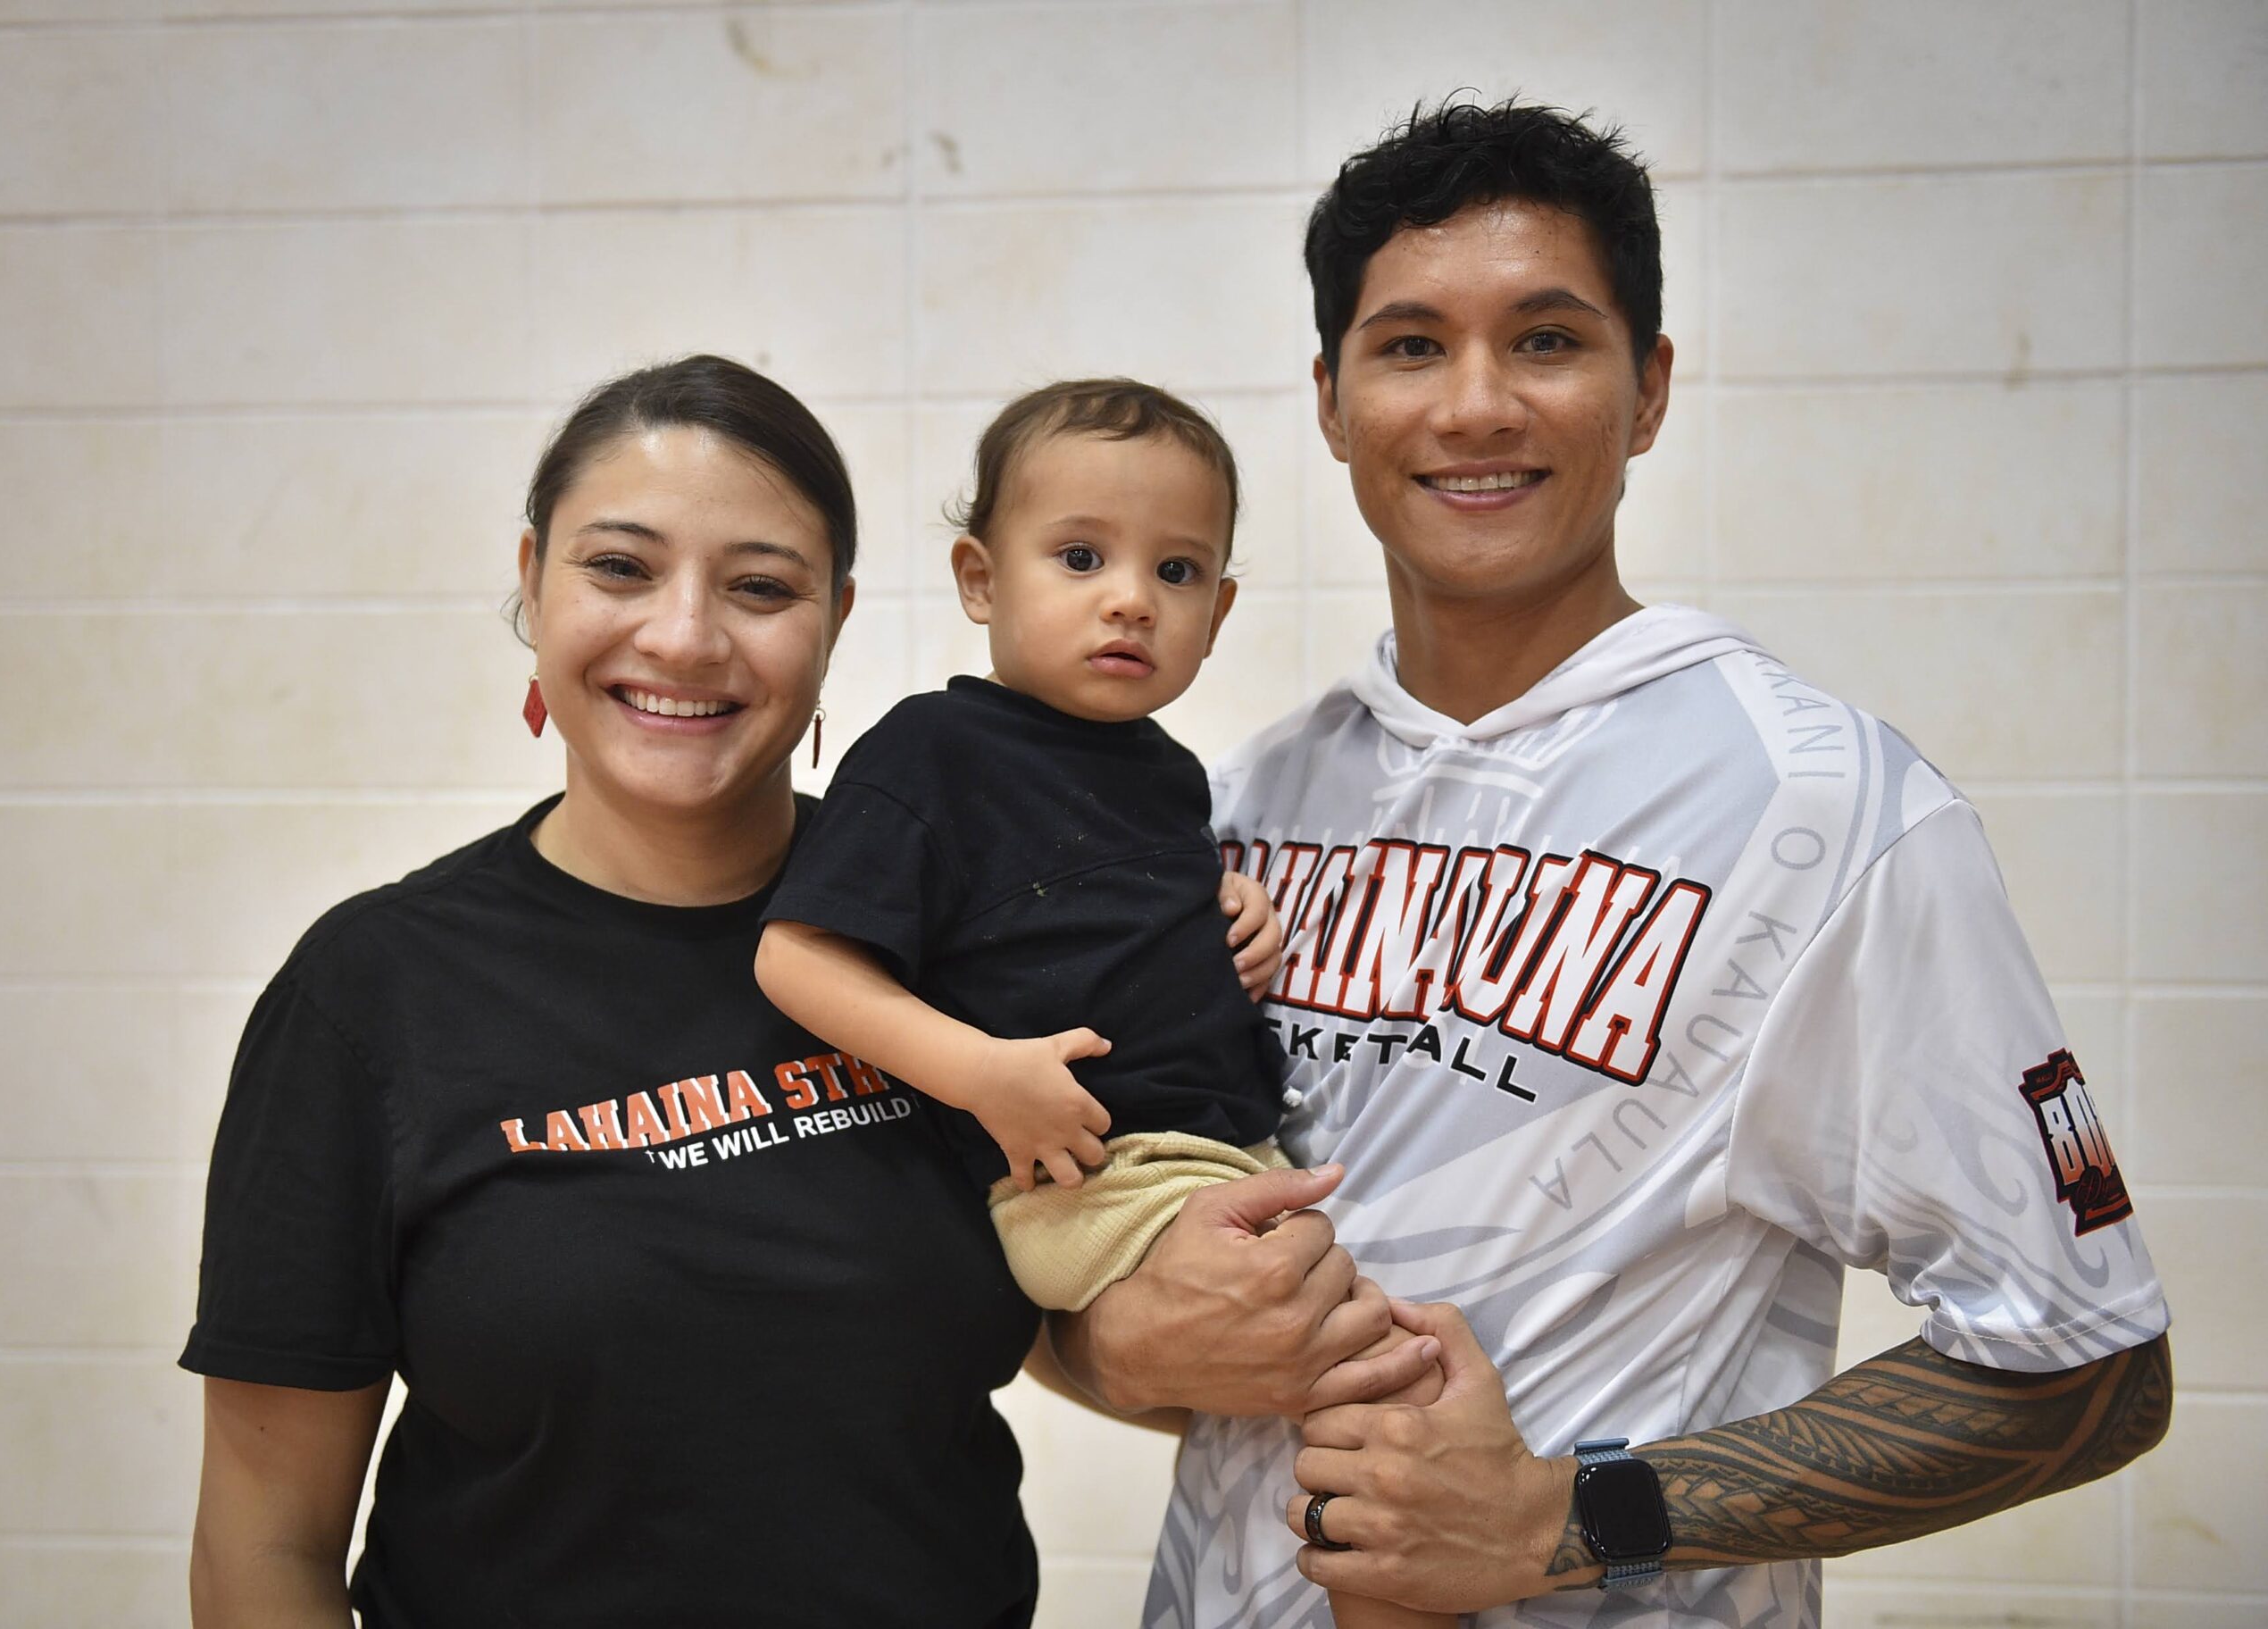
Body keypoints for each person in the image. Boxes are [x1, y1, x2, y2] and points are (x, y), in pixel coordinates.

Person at [1047, 101, 2173, 1627]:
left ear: (1647, 391)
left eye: (1549, 341)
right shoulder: (1233, 803)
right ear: (1330, 401)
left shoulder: (1834, 813)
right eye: (1409, 346)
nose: (1476, 406)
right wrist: (1113, 1347)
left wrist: (1570, 1518)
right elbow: (1069, 1243)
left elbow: (2092, 1368)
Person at [181, 355, 1050, 1627]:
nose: (686, 636)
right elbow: (266, 1543)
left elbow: (1111, 1301)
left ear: (836, 622)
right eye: (620, 568)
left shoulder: (958, 943)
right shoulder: (371, 991)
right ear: (532, 581)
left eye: (760, 587)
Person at [754, 378, 1450, 1629]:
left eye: (1178, 572)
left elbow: (1106, 926)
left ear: (1220, 609)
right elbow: (798, 962)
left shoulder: (1170, 777)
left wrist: (1234, 919)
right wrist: (980, 1073)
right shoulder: (934, 751)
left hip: (1209, 1149)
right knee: (1379, 1372)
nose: (1132, 597)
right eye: (1080, 556)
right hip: (1097, 1166)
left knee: (1390, 1364)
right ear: (980, 578)